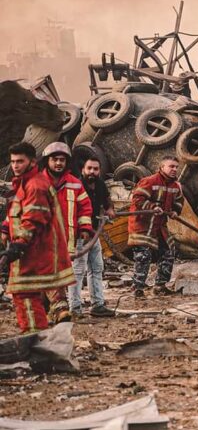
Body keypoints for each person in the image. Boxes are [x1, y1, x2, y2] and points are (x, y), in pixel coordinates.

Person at [2, 141, 75, 333]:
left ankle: (35, 340)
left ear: (33, 161)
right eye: (13, 162)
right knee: (28, 296)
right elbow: (15, 215)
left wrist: (18, 245)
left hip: (35, 255)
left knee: (26, 296)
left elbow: (34, 219)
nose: (15, 166)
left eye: (20, 161)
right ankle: (37, 337)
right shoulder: (24, 184)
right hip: (30, 255)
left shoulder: (35, 186)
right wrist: (5, 230)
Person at [41, 142, 92, 323]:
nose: (58, 163)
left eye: (62, 160)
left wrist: (85, 227)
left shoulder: (75, 184)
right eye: (55, 160)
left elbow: (85, 208)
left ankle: (49, 310)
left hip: (66, 240)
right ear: (47, 161)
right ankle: (60, 307)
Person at [128, 157, 184, 298]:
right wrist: (153, 207)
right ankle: (137, 288)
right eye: (171, 166)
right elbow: (137, 199)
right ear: (162, 167)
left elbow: (178, 201)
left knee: (168, 253)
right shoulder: (149, 181)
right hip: (142, 225)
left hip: (159, 226)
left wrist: (175, 211)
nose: (174, 169)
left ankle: (160, 286)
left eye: (176, 167)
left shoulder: (175, 186)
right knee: (143, 256)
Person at [70, 157, 115, 317]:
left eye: (95, 169)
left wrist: (109, 209)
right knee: (78, 271)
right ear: (83, 170)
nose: (92, 172)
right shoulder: (77, 186)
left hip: (94, 233)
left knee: (97, 268)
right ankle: (74, 308)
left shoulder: (101, 185)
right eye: (89, 168)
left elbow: (107, 201)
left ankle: (98, 305)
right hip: (80, 235)